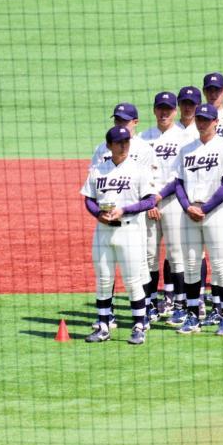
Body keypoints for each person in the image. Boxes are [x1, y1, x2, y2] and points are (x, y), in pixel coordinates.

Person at [81, 126, 156, 345]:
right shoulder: (98, 170)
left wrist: (125, 210)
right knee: (104, 280)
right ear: (109, 146)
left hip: (129, 230)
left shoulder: (138, 169)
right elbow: (88, 198)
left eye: (126, 141)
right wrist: (98, 214)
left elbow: (150, 200)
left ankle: (139, 326)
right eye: (118, 142)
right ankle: (103, 326)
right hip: (103, 231)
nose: (123, 145)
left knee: (133, 281)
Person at [173, 104, 223, 336]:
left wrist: (207, 208)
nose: (202, 123)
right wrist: (187, 206)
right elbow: (178, 183)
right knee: (191, 266)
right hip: (189, 213)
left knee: (220, 265)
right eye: (199, 119)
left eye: (207, 119)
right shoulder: (186, 150)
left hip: (215, 214)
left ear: (215, 122)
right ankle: (192, 316)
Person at [140, 91, 191, 321]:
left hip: (172, 202)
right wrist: (149, 198)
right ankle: (149, 303)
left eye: (168, 109)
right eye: (160, 108)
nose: (164, 113)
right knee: (149, 255)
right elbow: (138, 175)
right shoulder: (142, 138)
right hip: (148, 205)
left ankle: (179, 304)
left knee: (176, 253)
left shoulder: (184, 138)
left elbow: (181, 177)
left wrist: (158, 196)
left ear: (175, 111)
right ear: (154, 110)